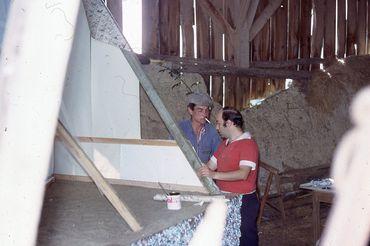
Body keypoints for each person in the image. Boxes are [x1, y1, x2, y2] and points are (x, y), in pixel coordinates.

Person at [198, 107, 259, 246]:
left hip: (244, 200)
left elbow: (243, 174)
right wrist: (199, 171)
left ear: (230, 123)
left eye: (219, 123)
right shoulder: (224, 145)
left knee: (245, 238)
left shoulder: (248, 144)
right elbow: (209, 166)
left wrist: (214, 175)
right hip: (225, 199)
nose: (217, 127)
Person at [178, 92, 221, 163]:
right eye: (200, 110)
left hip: (205, 171)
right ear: (190, 110)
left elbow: (218, 156)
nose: (204, 114)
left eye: (207, 110)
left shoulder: (213, 132)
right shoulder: (180, 129)